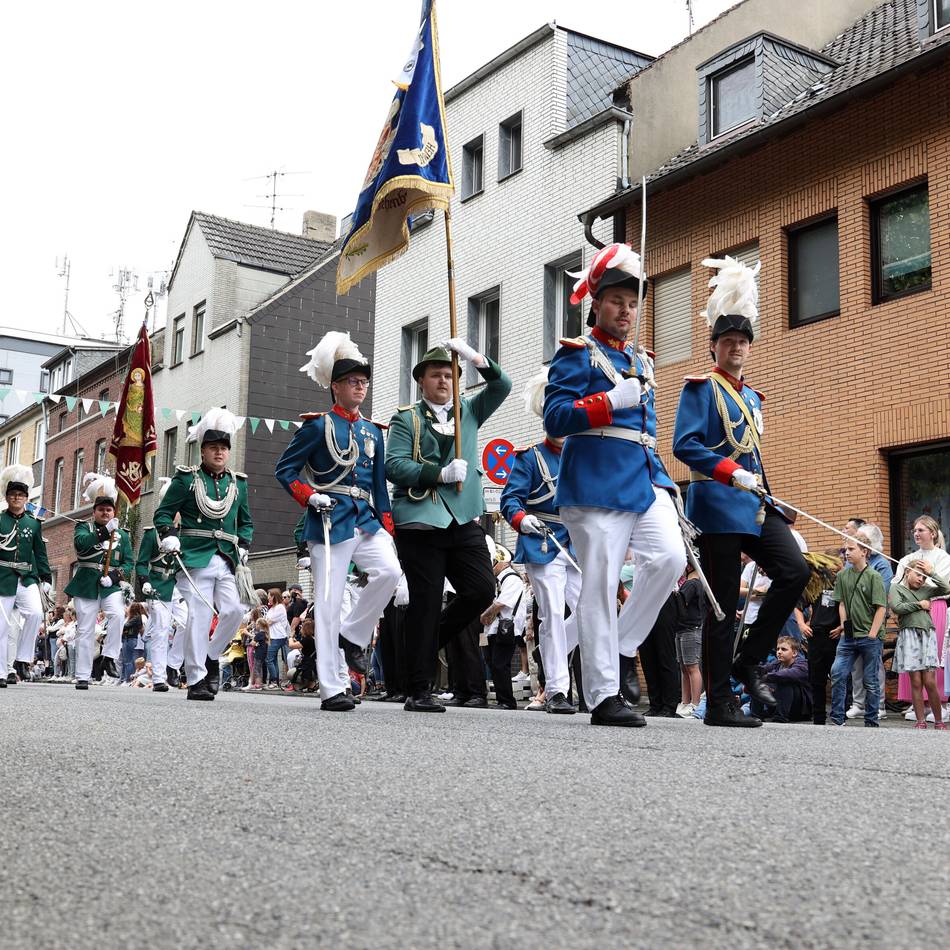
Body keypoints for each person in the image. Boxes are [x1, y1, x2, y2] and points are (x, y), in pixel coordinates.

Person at [544, 243, 685, 727]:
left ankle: (618, 642)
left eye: (632, 302)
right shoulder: (577, 356)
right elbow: (556, 417)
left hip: (644, 477)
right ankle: (603, 694)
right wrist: (609, 399)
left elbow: (647, 428)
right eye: (616, 301)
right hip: (596, 479)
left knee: (671, 558)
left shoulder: (643, 359)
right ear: (597, 303)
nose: (625, 310)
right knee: (600, 585)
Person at [673, 256, 809, 727]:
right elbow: (685, 446)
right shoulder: (700, 388)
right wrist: (731, 472)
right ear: (714, 347)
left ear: (749, 348)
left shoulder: (752, 397)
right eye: (727, 341)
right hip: (715, 505)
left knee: (795, 570)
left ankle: (747, 660)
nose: (735, 348)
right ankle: (722, 701)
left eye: (742, 342)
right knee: (722, 606)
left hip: (752, 505)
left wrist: (771, 497)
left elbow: (753, 457)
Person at [276, 331, 400, 712]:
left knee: (390, 573)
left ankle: (353, 634)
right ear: (335, 386)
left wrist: (389, 532)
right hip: (329, 519)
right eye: (352, 382)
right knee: (329, 603)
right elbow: (286, 470)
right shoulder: (317, 427)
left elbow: (379, 486)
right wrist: (309, 495)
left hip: (366, 518)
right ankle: (332, 687)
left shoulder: (372, 432)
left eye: (363, 382)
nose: (360, 388)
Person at [386, 338, 511, 713]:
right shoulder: (406, 418)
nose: (443, 381)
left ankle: (427, 642)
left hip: (461, 519)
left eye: (449, 375)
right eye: (436, 375)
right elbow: (394, 465)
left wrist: (473, 356)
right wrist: (437, 472)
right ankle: (418, 689)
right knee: (424, 604)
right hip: (421, 522)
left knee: (481, 589)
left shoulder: (469, 410)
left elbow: (501, 385)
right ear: (421, 380)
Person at [154, 408, 253, 701]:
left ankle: (210, 656)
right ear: (203, 450)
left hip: (227, 557)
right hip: (195, 556)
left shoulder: (238, 483)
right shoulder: (186, 480)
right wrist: (169, 537)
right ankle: (196, 678)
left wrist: (244, 544)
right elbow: (162, 514)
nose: (219, 452)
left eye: (223, 448)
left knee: (235, 610)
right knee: (198, 615)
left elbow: (245, 521)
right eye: (213, 448)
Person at [501, 369, 579, 715]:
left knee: (594, 609)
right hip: (543, 542)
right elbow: (510, 501)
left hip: (577, 545)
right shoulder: (529, 458)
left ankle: (555, 661)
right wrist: (522, 519)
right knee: (550, 613)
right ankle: (559, 689)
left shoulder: (583, 456)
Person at [64, 474, 133, 690]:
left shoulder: (123, 534)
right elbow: (82, 545)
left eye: (109, 510)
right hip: (86, 583)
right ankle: (83, 675)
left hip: (110, 584)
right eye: (101, 509)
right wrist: (105, 532)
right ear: (94, 512)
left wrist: (113, 576)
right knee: (85, 630)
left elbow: (129, 562)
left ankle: (109, 657)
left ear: (114, 512)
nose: (105, 512)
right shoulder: (84, 527)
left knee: (118, 615)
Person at [0, 464, 53, 687]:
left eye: (21, 495)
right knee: (1, 626)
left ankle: (22, 659)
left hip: (26, 576)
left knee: (34, 613)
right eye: (13, 494)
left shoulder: (33, 522)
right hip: (2, 577)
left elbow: (40, 552)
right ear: (7, 497)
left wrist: (46, 577)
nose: (17, 498)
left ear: (26, 498)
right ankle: (2, 672)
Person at [894, 515, 950, 719]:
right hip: (911, 609)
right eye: (915, 530)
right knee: (913, 655)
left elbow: (941, 587)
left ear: (933, 533)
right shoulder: (907, 560)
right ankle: (920, 704)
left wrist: (929, 572)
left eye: (921, 530)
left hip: (935, 608)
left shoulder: (944, 558)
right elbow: (898, 584)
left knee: (934, 657)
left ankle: (941, 705)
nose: (916, 533)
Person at [829, 538, 887, 726]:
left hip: (869, 637)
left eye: (851, 549)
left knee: (870, 680)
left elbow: (881, 608)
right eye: (845, 549)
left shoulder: (874, 576)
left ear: (864, 552)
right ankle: (837, 719)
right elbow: (842, 603)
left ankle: (871, 721)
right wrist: (845, 627)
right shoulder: (842, 576)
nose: (847, 553)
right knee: (837, 674)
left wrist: (872, 634)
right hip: (849, 637)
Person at [135, 478, 183, 692]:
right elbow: (142, 562)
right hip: (158, 587)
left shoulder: (185, 532)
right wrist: (144, 582)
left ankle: (173, 665)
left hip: (178, 586)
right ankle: (159, 678)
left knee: (189, 623)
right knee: (161, 631)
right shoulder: (151, 534)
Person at [889, 560, 950, 729]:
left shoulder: (925, 590)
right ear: (907, 572)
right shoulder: (896, 588)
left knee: (930, 681)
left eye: (924, 577)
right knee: (916, 681)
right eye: (918, 575)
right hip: (909, 636)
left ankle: (939, 721)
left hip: (927, 635)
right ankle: (921, 721)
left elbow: (946, 588)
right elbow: (896, 606)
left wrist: (931, 573)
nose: (921, 580)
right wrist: (919, 605)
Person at [845, 523, 893, 721]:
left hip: (873, 620)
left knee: (873, 664)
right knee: (856, 664)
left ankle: (878, 704)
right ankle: (858, 704)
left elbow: (880, 593)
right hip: (853, 620)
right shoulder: (849, 563)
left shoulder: (881, 564)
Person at [797, 551, 844, 725]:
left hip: (836, 634)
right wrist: (802, 624)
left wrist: (841, 627)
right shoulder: (817, 583)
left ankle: (841, 715)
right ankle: (819, 718)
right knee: (817, 679)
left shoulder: (843, 582)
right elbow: (799, 604)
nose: (834, 569)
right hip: (816, 635)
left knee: (840, 676)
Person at [480, 548, 527, 711]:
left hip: (506, 628)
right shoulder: (500, 579)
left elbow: (501, 603)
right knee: (494, 664)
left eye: (494, 562)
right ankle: (502, 700)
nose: (492, 566)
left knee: (500, 664)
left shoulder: (511, 578)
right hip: (495, 629)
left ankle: (507, 701)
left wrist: (484, 615)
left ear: (503, 562)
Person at [750, 636, 811, 723]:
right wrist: (750, 673)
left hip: (800, 709)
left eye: (783, 649)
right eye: (778, 649)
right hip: (780, 704)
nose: (779, 652)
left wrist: (766, 678)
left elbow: (789, 674)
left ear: (794, 653)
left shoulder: (803, 664)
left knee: (784, 680)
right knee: (757, 682)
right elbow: (763, 669)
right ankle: (756, 716)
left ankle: (780, 718)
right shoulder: (778, 663)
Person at [675, 564, 707, 718]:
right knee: (685, 667)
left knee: (691, 667)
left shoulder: (691, 584)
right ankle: (685, 702)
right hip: (686, 628)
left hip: (690, 628)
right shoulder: (698, 583)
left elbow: (680, 603)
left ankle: (694, 703)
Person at [121, 603, 147, 683]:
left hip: (130, 639)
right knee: (128, 660)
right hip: (130, 639)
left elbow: (126, 625)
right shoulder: (136, 617)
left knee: (128, 661)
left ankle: (128, 679)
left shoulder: (136, 618)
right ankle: (128, 678)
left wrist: (123, 632)